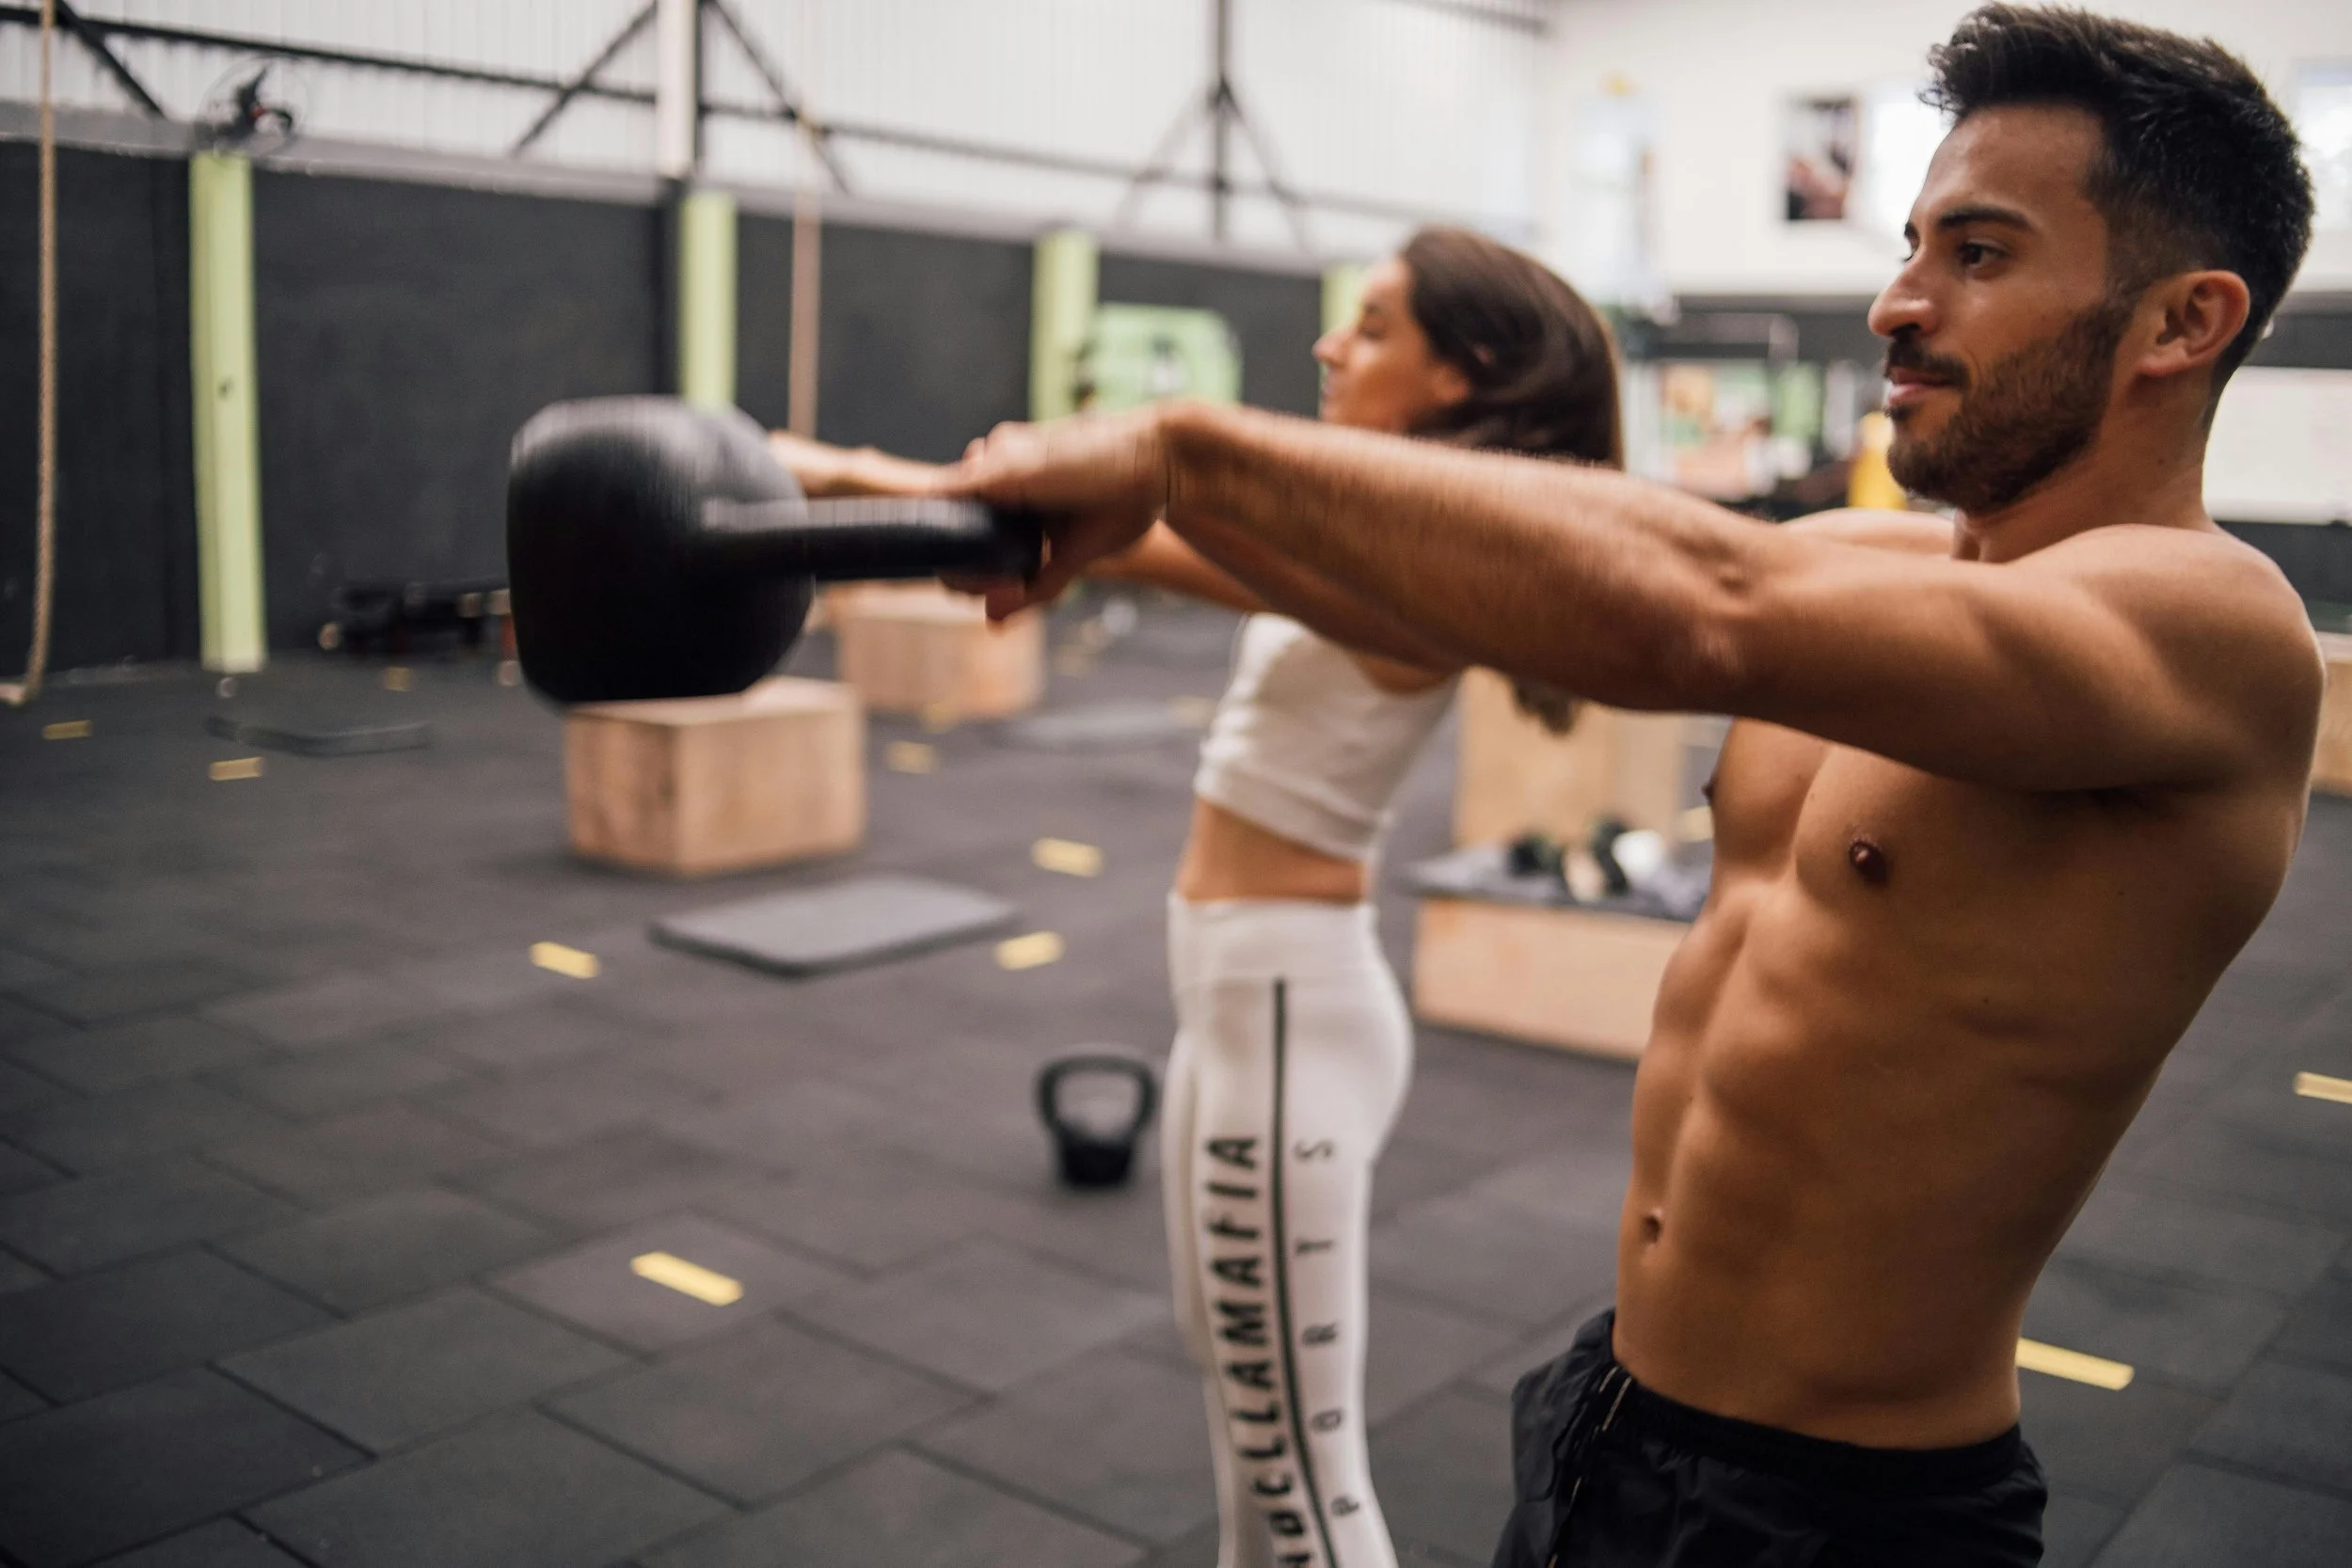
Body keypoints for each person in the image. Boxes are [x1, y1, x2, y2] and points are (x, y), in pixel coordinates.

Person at [942, 8, 2324, 1565]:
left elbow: (1697, 605)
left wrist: (1189, 447)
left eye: (1980, 256)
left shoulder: (2212, 628)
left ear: (2183, 322)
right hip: (1615, 1418)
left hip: (1843, 1513)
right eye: (1912, 244)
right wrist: (996, 511)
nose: (1897, 302)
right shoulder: (1883, 562)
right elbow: (1454, 595)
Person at [771, 228, 1624, 1568]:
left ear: (1464, 375)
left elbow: (1185, 497)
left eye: (1375, 326)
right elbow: (1108, 531)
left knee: (1301, 1493)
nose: (1331, 344)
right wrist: (813, 472)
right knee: (1253, 1449)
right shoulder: (1350, 542)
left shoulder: (1419, 566)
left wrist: (1130, 461)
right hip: (1248, 1008)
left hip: (1289, 1018)